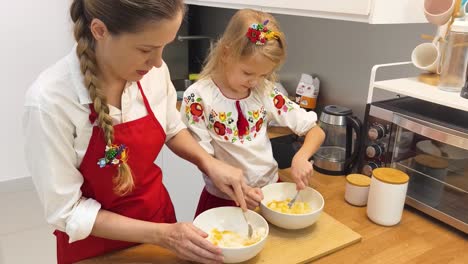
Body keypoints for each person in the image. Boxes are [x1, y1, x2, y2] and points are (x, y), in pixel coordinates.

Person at [22, 1, 249, 264]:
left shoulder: (153, 73)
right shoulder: (50, 102)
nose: (157, 62)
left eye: (165, 46)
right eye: (146, 49)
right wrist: (163, 235)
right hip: (97, 248)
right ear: (99, 30)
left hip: (160, 222)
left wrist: (209, 164)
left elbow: (172, 129)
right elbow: (68, 211)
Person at [180, 9, 325, 217]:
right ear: (226, 53)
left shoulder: (264, 91)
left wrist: (301, 158)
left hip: (269, 194)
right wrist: (238, 189)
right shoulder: (198, 98)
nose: (254, 82)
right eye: (247, 73)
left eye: (263, 74)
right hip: (223, 199)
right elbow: (203, 159)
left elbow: (315, 131)